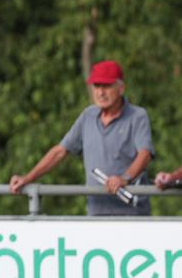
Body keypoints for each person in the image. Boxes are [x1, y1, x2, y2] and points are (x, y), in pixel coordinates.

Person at [9, 60, 153, 216]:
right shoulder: (88, 116)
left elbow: (145, 154)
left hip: (132, 215)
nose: (100, 92)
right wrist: (28, 178)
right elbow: (60, 151)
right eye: (97, 86)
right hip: (95, 214)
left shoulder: (137, 116)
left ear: (121, 88)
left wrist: (124, 178)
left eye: (106, 86)